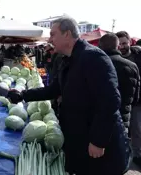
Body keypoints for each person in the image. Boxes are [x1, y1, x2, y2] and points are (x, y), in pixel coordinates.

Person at [19, 17, 131, 175]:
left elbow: (110, 101)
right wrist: (22, 94)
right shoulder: (69, 60)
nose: (50, 39)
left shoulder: (93, 57)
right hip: (80, 137)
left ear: (67, 34)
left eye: (53, 34)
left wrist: (98, 141)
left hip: (99, 145)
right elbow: (53, 90)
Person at [116, 31, 141, 172]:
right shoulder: (113, 58)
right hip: (121, 101)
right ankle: (120, 156)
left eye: (125, 43)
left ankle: (138, 156)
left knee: (137, 130)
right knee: (120, 130)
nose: (122, 46)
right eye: (120, 44)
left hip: (138, 100)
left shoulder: (139, 55)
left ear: (130, 42)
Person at [99, 33, 140, 135]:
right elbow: (135, 97)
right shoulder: (132, 66)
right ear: (117, 46)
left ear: (100, 47)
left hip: (99, 122)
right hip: (123, 119)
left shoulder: (95, 64)